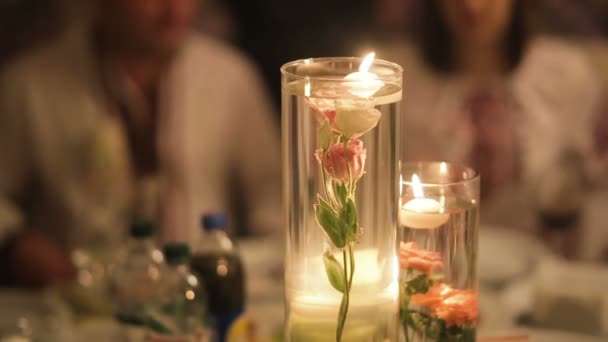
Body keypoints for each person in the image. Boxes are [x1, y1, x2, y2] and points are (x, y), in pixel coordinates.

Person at [0, 0, 280, 287]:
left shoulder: (229, 77)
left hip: (197, 299)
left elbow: (274, 198)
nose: (175, 9)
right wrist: (18, 245)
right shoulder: (29, 87)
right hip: (79, 304)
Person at [380, 0, 604, 234]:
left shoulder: (565, 77)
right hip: (431, 256)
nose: (473, 6)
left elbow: (590, 193)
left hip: (545, 262)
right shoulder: (398, 83)